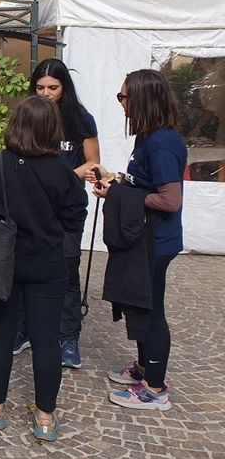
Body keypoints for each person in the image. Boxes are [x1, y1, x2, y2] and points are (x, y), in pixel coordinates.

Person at [0, 96, 87, 442]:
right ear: (52, 129)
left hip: (2, 263)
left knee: (0, 335)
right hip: (47, 264)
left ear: (15, 125)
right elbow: (76, 216)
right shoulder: (62, 172)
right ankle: (44, 418)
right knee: (47, 339)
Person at [94, 69, 186, 411]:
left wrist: (118, 195)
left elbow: (169, 200)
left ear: (142, 99)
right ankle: (145, 369)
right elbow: (143, 183)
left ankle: (155, 389)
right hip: (144, 237)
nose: (120, 102)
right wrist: (116, 179)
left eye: (124, 96)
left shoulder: (162, 143)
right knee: (142, 305)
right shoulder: (147, 137)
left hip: (156, 242)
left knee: (152, 309)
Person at [13, 58, 101, 368]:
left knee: (66, 268)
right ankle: (23, 329)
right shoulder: (28, 116)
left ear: (65, 87)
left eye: (53, 87)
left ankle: (68, 337)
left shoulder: (80, 119)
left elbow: (93, 162)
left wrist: (60, 178)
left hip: (66, 207)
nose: (46, 93)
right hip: (31, 206)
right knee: (23, 267)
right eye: (40, 87)